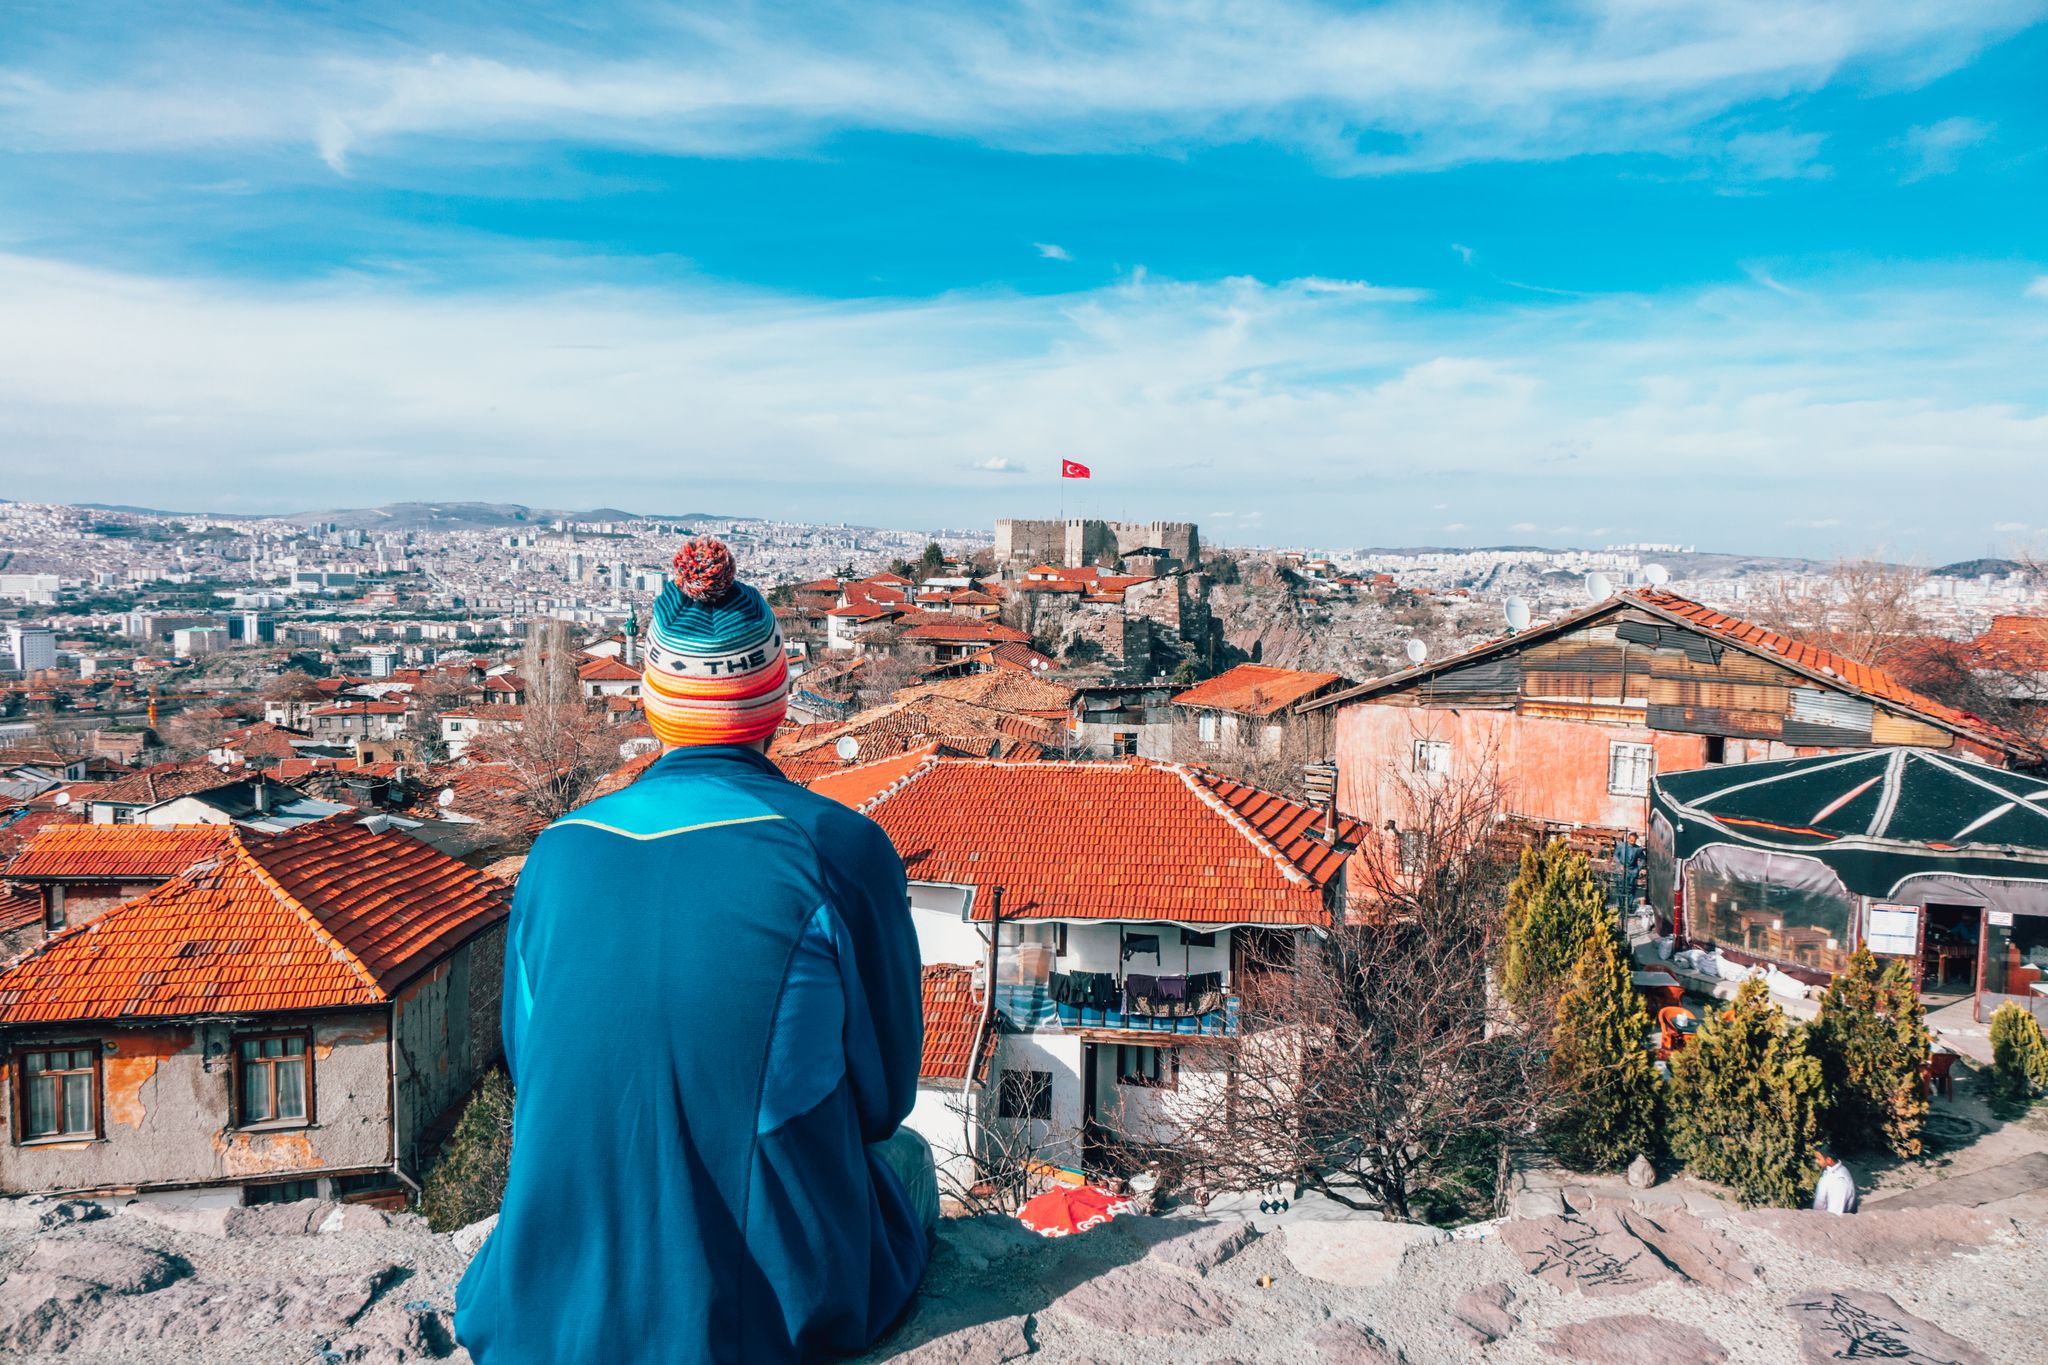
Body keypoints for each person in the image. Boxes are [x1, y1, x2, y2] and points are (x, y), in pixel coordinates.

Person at [456, 538, 934, 1365]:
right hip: (763, 1313)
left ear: (652, 704)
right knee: (912, 1158)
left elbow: (538, 1074)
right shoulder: (839, 850)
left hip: (543, 1304)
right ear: (778, 697)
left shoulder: (556, 854)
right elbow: (883, 1100)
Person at [1812, 1148, 1858, 1215]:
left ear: (1829, 1160)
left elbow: (1835, 1213)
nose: (1816, 1161)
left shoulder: (1839, 1181)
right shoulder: (1830, 1170)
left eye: (1819, 1159)